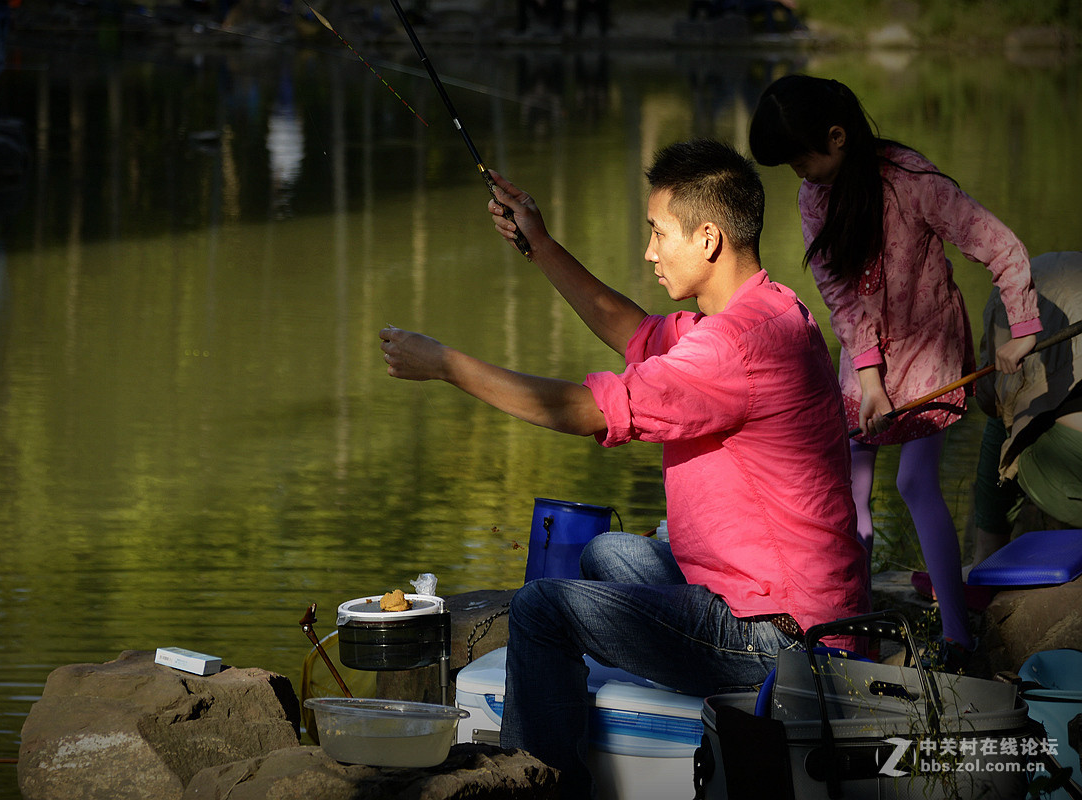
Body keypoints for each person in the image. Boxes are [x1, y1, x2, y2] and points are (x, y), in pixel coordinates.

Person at [379, 139, 870, 797]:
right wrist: (541, 245)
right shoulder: (769, 308)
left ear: (708, 238)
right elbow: (638, 335)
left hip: (780, 639)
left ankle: (543, 785)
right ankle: (578, 730)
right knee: (609, 552)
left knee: (540, 609)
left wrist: (447, 366)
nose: (648, 251)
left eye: (657, 233)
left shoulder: (736, 348)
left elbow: (588, 409)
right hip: (747, 593)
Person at [748, 74, 1042, 663]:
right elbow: (839, 295)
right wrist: (869, 378)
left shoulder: (912, 182)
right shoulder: (815, 198)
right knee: (846, 485)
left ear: (836, 137)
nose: (799, 177)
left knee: (912, 483)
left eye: (802, 159)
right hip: (865, 357)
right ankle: (849, 629)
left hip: (930, 351)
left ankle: (958, 633)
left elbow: (1000, 245)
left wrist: (1024, 329)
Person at [970, 251, 1082, 571]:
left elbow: (988, 401)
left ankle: (986, 554)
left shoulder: (1009, 302)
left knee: (1005, 419)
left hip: (1068, 474)